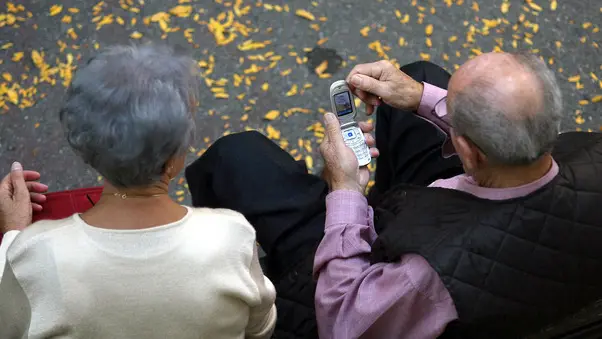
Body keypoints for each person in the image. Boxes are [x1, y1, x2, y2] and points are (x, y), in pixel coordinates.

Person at [186, 52, 602, 339]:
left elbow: (344, 320)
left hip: (363, 281)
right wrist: (423, 97)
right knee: (421, 72)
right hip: (486, 214)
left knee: (237, 158)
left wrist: (346, 191)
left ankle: (227, 282)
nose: (444, 109)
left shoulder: (427, 279)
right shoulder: (591, 153)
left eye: (452, 118)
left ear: (470, 153)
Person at [0, 45, 276, 339]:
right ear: (175, 158)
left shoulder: (35, 256)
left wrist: (13, 234)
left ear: (87, 150)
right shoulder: (231, 237)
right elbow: (261, 327)